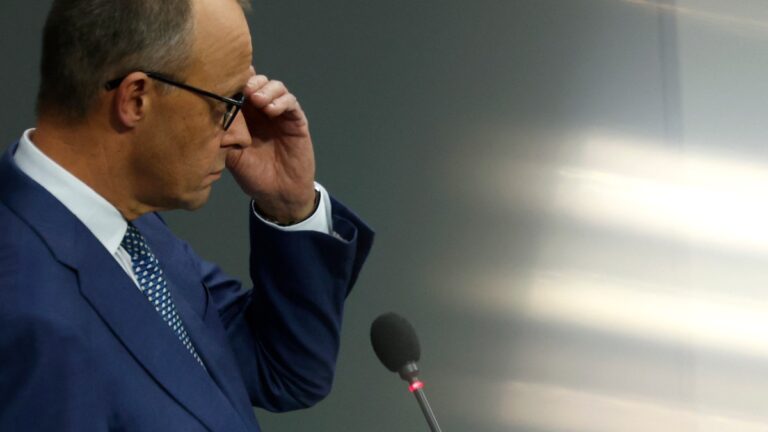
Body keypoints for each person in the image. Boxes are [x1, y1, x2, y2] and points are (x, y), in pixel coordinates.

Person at [0, 0, 373, 430]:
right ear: (136, 98)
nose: (241, 135)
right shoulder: (22, 314)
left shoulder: (132, 229)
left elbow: (283, 373)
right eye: (227, 103)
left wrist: (290, 207)